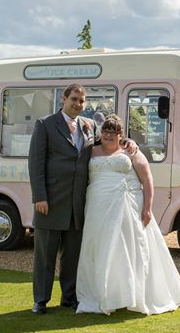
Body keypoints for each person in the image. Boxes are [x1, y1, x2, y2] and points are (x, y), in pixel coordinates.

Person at [28, 84, 135, 314]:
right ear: (64, 99)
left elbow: (109, 142)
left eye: (82, 101)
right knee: (45, 255)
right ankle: (41, 300)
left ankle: (69, 297)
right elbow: (36, 163)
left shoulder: (91, 125)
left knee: (72, 256)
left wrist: (129, 143)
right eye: (74, 99)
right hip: (50, 201)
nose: (78, 104)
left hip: (79, 204)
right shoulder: (45, 124)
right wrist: (39, 197)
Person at [76, 115, 180, 316]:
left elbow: (147, 179)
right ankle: (103, 292)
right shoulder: (90, 151)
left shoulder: (130, 150)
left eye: (113, 132)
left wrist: (147, 208)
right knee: (99, 247)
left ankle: (130, 294)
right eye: (105, 131)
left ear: (121, 135)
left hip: (126, 205)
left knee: (128, 248)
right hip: (97, 206)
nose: (108, 135)